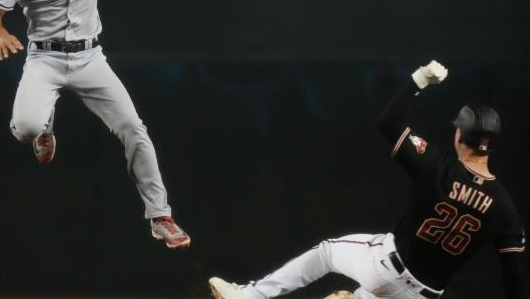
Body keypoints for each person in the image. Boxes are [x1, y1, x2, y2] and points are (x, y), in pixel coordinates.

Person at [209, 60, 526, 299]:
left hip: (384, 265)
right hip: (422, 295)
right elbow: (512, 276)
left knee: (327, 253)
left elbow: (388, 121)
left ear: (461, 135)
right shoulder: (504, 208)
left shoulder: (437, 166)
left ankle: (249, 295)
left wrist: (418, 80)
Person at [0, 0, 194, 248]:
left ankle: (160, 217)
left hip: (89, 58)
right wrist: (1, 33)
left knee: (133, 128)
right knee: (27, 127)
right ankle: (43, 130)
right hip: (44, 60)